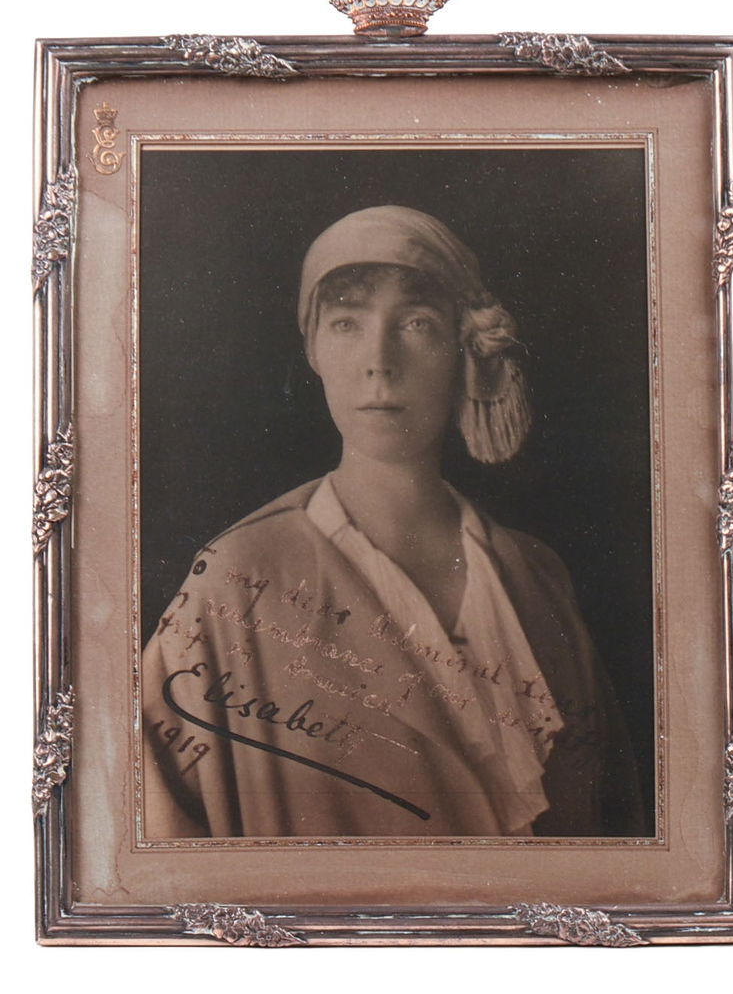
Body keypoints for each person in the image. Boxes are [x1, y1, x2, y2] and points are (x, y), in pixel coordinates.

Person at [142, 205, 644, 839]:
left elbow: (619, 827)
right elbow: (146, 839)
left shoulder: (538, 576)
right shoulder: (232, 581)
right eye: (347, 322)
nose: (379, 360)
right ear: (314, 349)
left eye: (415, 322)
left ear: (464, 347)